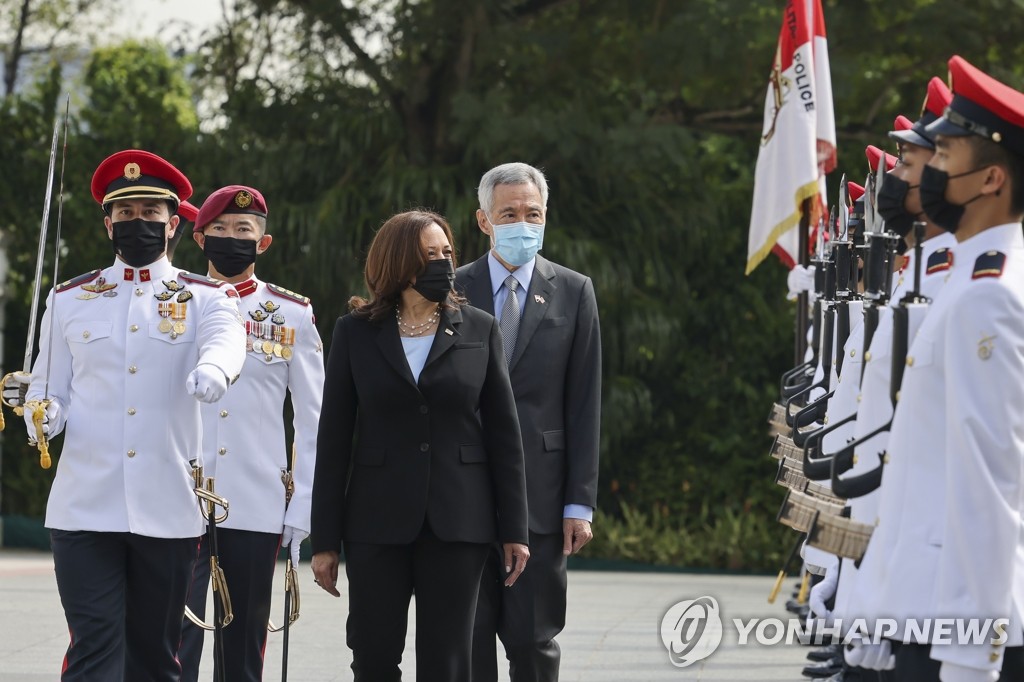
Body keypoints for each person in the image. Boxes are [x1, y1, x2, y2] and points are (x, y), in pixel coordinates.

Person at [22, 149, 246, 681]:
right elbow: (49, 392)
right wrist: (40, 417)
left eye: (150, 214)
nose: (137, 223)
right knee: (94, 648)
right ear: (107, 224)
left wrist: (214, 370)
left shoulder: (205, 296)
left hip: (166, 507)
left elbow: (226, 340)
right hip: (83, 507)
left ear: (173, 224)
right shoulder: (69, 298)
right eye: (126, 214)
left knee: (154, 655)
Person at [854, 55, 1024, 681]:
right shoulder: (968, 286)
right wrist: (875, 605)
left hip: (957, 625)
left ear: (991, 179)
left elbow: (989, 485)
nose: (930, 171)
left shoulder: (991, 296)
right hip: (924, 606)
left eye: (946, 155)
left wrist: (972, 660)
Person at [310, 209, 530, 682]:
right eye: (430, 254)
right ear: (397, 261)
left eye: (447, 252)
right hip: (375, 523)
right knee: (372, 656)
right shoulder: (354, 332)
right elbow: (332, 440)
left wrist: (515, 529)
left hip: (459, 523)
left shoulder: (479, 328)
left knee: (448, 663)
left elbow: (504, 437)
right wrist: (325, 541)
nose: (444, 262)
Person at [456, 162, 602, 682]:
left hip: (542, 499)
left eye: (532, 213)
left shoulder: (573, 290)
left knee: (534, 641)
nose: (523, 223)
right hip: (465, 495)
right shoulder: (450, 290)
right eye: (509, 214)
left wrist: (579, 501)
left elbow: (585, 403)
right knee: (468, 643)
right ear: (484, 220)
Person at [179, 185, 324, 681]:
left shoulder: (292, 314)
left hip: (254, 496)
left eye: (244, 231)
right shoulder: (173, 304)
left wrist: (303, 504)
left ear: (263, 244)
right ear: (199, 238)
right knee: (173, 640)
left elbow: (312, 417)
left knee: (241, 650)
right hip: (177, 494)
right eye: (219, 229)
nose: (232, 238)